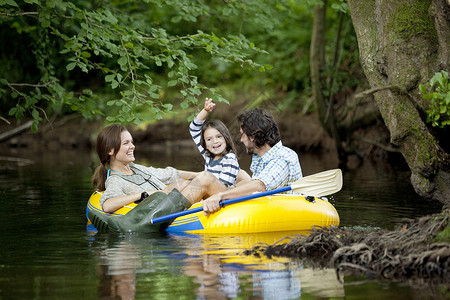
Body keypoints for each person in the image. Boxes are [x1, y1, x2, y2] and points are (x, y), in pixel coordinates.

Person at [89, 124, 232, 233]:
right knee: (202, 179)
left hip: (173, 199)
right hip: (168, 209)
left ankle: (132, 224)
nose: (132, 146)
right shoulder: (115, 180)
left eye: (131, 142)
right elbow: (107, 205)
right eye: (126, 143)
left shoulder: (137, 168)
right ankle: (133, 225)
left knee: (191, 179)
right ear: (110, 150)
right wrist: (142, 195)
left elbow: (171, 173)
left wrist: (199, 175)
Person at [201, 108, 302, 214]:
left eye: (242, 134)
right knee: (241, 176)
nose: (241, 140)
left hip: (286, 212)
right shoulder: (259, 157)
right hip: (267, 208)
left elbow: (260, 186)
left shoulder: (283, 156)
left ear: (252, 136)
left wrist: (220, 196)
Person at [189, 98, 240, 188]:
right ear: (205, 145)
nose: (215, 142)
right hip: (208, 192)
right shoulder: (208, 156)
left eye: (219, 137)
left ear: (226, 138)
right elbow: (193, 129)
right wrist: (205, 111)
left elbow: (221, 188)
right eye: (209, 139)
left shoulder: (229, 158)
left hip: (222, 197)